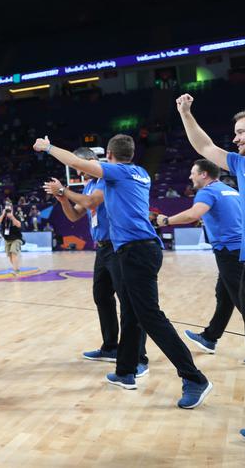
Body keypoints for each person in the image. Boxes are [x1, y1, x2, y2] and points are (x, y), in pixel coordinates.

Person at [33, 133, 212, 409]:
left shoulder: (117, 173)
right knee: (129, 313)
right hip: (135, 249)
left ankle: (194, 378)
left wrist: (48, 147)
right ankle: (125, 371)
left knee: (150, 317)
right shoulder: (139, 172)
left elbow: (80, 169)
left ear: (108, 156)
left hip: (136, 251)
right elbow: (84, 199)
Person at [173, 96, 245, 443]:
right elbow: (205, 146)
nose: (235, 138)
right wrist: (185, 113)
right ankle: (212, 335)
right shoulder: (243, 165)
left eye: (242, 132)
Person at [43, 150, 148, 371]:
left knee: (129, 302)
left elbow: (91, 202)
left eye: (79, 167)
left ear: (90, 161)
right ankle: (110, 347)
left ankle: (138, 356)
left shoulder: (107, 178)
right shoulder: (90, 184)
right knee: (101, 296)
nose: (79, 172)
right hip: (101, 249)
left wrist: (63, 190)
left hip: (118, 246)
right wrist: (63, 199)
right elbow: (74, 215)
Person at [156, 159, 245, 359]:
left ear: (204, 174)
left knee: (244, 301)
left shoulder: (207, 192)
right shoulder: (230, 190)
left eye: (193, 172)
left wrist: (165, 220)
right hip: (240, 248)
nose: (190, 176)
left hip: (228, 250)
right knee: (224, 295)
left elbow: (192, 215)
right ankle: (210, 337)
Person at [0, 201, 23, 274]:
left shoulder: (16, 216)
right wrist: (3, 214)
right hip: (7, 239)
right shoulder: (3, 217)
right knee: (10, 256)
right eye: (6, 210)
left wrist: (12, 217)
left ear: (12, 209)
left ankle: (16, 271)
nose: (8, 211)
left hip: (16, 238)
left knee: (13, 253)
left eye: (9, 210)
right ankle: (16, 269)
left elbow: (19, 225)